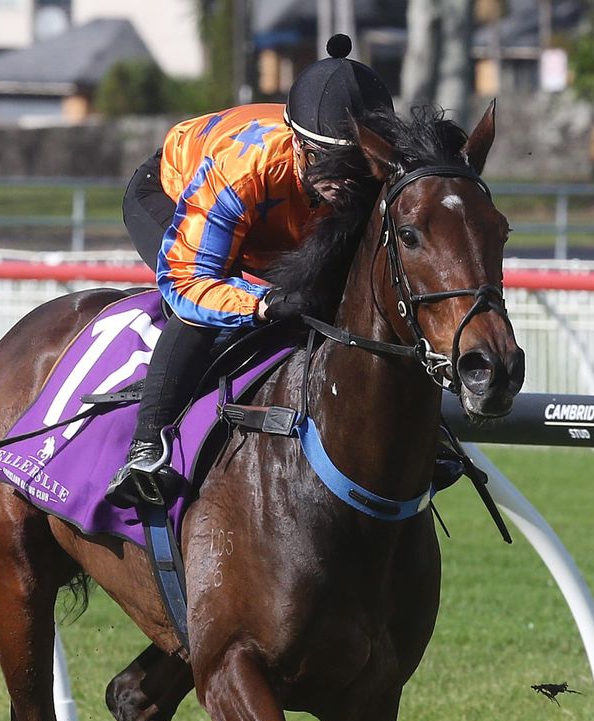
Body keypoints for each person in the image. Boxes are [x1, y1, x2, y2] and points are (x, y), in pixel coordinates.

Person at [107, 34, 395, 507]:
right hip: (175, 192)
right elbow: (189, 282)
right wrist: (261, 304)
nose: (347, 184)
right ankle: (145, 451)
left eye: (359, 166)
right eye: (332, 164)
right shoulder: (244, 168)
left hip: (275, 211)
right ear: (300, 147)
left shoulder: (370, 171)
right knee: (209, 308)